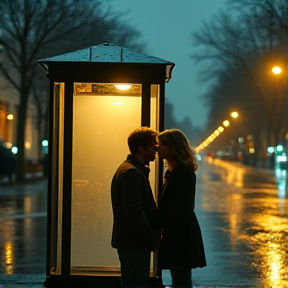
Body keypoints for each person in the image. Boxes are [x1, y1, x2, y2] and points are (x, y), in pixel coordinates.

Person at [111, 127, 160, 288]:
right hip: (134, 243)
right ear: (141, 148)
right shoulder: (132, 173)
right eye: (154, 146)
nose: (157, 150)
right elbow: (134, 212)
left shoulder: (130, 170)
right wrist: (151, 238)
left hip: (132, 242)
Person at [157, 129, 206, 288]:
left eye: (163, 144)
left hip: (180, 233)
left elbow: (179, 205)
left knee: (181, 278)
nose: (159, 148)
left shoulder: (181, 171)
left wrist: (159, 224)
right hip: (180, 230)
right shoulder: (176, 170)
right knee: (180, 277)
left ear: (174, 147)